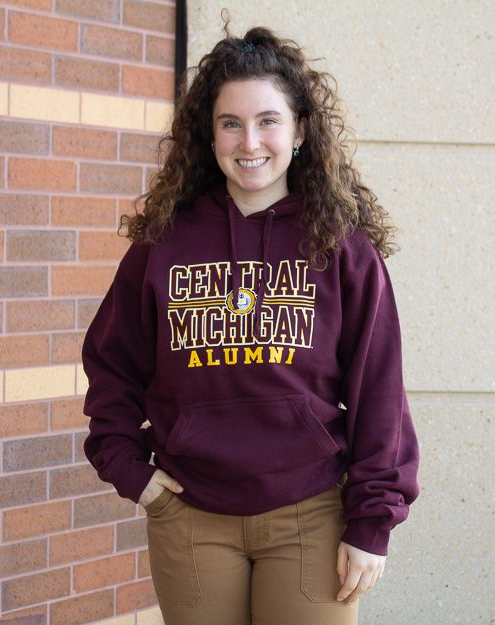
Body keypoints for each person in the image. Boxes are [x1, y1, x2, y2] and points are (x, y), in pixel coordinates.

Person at [82, 24, 420, 625]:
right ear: (208, 135)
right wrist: (130, 469)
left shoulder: (341, 248)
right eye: (230, 122)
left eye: (268, 120)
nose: (249, 141)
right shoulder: (164, 244)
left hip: (311, 514)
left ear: (300, 132)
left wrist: (372, 522)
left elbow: (380, 390)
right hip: (190, 514)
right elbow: (111, 364)